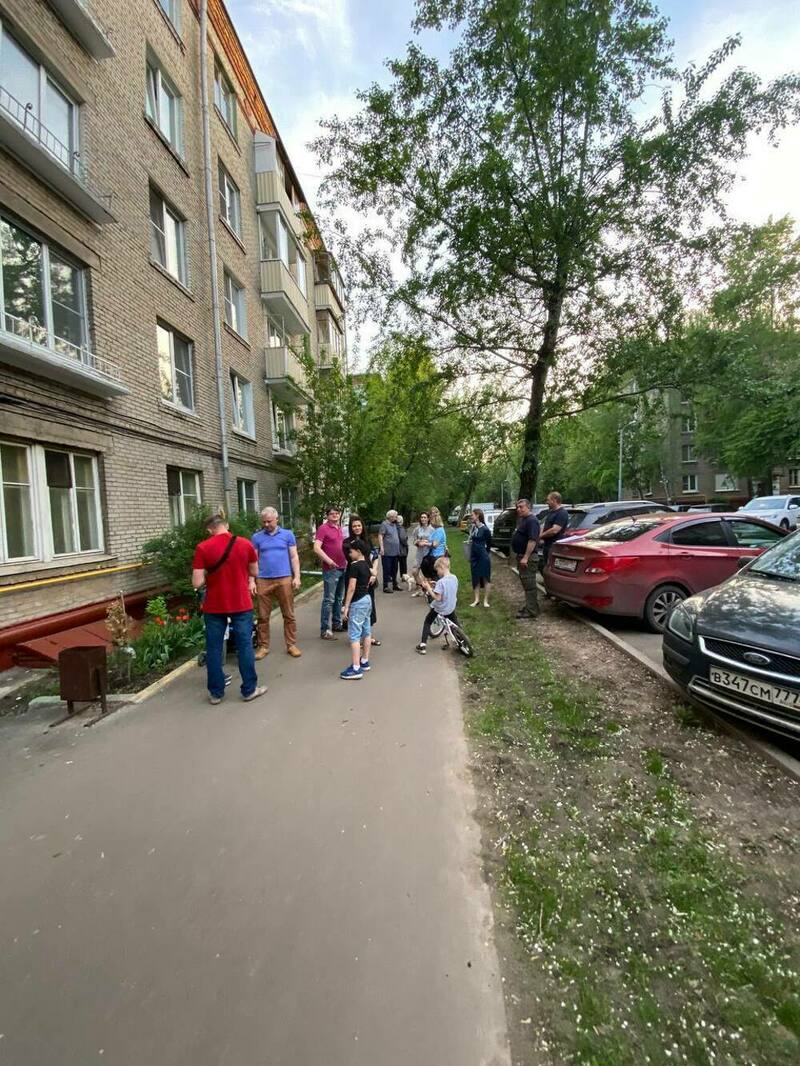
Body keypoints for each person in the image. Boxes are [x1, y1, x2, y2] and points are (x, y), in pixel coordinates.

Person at [192, 513, 266, 705]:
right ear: (226, 525)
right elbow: (255, 571)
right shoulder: (245, 544)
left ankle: (216, 693)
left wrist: (209, 573)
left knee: (214, 648)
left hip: (214, 605)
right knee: (245, 645)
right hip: (240, 602)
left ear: (210, 530)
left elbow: (197, 582)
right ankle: (249, 690)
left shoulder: (202, 548)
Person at [251, 506, 302, 660]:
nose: (266, 524)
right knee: (263, 616)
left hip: (284, 578)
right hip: (263, 579)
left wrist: (297, 576)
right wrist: (251, 581)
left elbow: (294, 556)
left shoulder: (287, 535)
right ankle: (263, 646)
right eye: (264, 522)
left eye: (269, 521)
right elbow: (253, 561)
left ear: (277, 519)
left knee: (289, 614)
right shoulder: (257, 537)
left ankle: (291, 645)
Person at [343, 515, 382, 648]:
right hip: (355, 577)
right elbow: (352, 560)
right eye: (354, 526)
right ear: (351, 528)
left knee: (369, 606)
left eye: (359, 525)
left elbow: (375, 556)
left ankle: (368, 636)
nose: (357, 528)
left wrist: (374, 572)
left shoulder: (367, 540)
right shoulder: (347, 543)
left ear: (362, 526)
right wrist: (369, 572)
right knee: (355, 605)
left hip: (369, 577)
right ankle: (357, 637)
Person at [340, 538, 373, 680]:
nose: (349, 554)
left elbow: (351, 587)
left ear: (358, 551)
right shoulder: (366, 564)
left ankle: (355, 668)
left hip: (357, 602)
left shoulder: (354, 566)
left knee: (354, 635)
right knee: (366, 631)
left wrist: (346, 606)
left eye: (351, 551)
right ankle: (364, 660)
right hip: (367, 599)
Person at [314, 506, 347, 640]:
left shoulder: (340, 528)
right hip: (331, 569)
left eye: (336, 513)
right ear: (327, 516)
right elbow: (316, 548)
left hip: (343, 567)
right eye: (331, 513)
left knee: (339, 598)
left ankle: (336, 624)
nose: (334, 515)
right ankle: (325, 630)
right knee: (329, 600)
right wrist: (329, 561)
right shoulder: (323, 528)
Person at [415, 556, 459, 655]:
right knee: (455, 622)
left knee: (428, 621)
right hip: (451, 606)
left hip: (441, 607)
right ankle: (460, 638)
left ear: (442, 567)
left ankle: (422, 645)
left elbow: (437, 598)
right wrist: (436, 584)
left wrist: (428, 588)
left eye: (437, 570)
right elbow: (449, 589)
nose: (437, 573)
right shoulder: (454, 578)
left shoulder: (441, 582)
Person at [512, 498, 541, 619]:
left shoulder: (532, 521)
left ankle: (531, 611)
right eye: (517, 507)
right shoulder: (524, 520)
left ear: (528, 507)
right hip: (522, 556)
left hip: (528, 558)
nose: (518, 509)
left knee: (529, 585)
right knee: (526, 584)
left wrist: (525, 557)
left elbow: (532, 540)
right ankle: (531, 606)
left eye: (521, 507)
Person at [538, 491, 570, 570]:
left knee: (552, 568)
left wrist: (540, 536)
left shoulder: (562, 513)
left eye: (548, 500)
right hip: (547, 546)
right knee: (546, 566)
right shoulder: (551, 512)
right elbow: (544, 526)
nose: (547, 502)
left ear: (554, 500)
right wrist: (541, 536)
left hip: (555, 547)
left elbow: (554, 530)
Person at [469, 508, 493, 607]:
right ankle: (476, 600)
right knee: (475, 577)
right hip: (474, 556)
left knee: (486, 577)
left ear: (477, 515)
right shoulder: (473, 528)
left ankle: (486, 601)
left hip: (483, 556)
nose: (471, 517)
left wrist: (485, 553)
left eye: (472, 515)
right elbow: (470, 539)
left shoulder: (485, 529)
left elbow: (489, 543)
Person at [420, 508, 448, 583]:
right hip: (432, 555)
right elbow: (431, 540)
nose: (430, 523)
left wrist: (425, 543)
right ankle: (432, 587)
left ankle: (436, 589)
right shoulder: (435, 530)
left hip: (437, 556)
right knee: (429, 572)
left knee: (436, 577)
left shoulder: (439, 530)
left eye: (431, 521)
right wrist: (425, 541)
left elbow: (435, 544)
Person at [378, 509, 401, 592]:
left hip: (395, 551)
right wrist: (382, 548)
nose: (396, 518)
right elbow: (380, 536)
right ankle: (386, 586)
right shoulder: (384, 524)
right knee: (387, 569)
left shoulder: (394, 524)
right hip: (387, 552)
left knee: (395, 569)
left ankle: (394, 584)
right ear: (391, 517)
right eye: (395, 516)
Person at [410, 511, 432, 595]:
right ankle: (421, 588)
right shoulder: (417, 529)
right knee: (414, 572)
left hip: (428, 553)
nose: (423, 519)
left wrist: (426, 543)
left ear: (428, 519)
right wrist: (418, 543)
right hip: (419, 553)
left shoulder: (432, 529)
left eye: (425, 517)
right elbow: (414, 541)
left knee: (427, 574)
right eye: (422, 517)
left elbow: (435, 542)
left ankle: (429, 591)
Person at [397, 515, 409, 585]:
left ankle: (393, 577)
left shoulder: (394, 527)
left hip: (396, 549)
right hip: (402, 548)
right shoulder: (401, 528)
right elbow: (403, 538)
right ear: (402, 521)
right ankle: (404, 577)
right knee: (403, 563)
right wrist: (406, 544)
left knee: (397, 564)